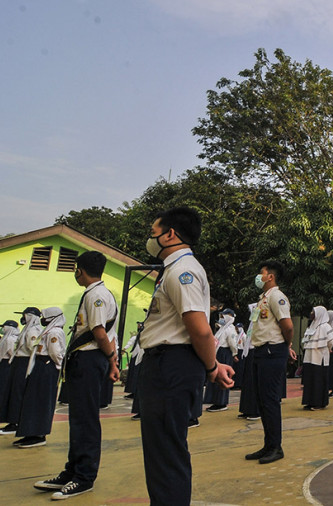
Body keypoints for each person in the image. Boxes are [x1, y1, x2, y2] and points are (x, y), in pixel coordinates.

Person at [136, 206, 234, 504]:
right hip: (168, 363)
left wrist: (213, 366)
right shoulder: (175, 270)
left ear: (170, 235)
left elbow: (201, 331)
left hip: (172, 364)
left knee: (166, 452)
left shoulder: (183, 271)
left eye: (154, 233)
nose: (150, 240)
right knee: (163, 449)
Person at [33, 251, 120, 498]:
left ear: (80, 270)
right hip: (86, 360)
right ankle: (72, 471)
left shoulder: (97, 296)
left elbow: (100, 333)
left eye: (75, 269)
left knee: (86, 420)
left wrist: (111, 360)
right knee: (79, 419)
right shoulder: (93, 294)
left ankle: (84, 476)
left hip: (91, 359)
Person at [246, 260, 295, 464]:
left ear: (270, 276)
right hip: (261, 351)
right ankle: (268, 444)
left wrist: (286, 346)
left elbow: (288, 326)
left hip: (272, 351)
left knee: (270, 401)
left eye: (262, 273)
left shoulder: (277, 297)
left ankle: (276, 447)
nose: (259, 276)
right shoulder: (263, 298)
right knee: (262, 401)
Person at [13, 307, 65, 448]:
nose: (42, 318)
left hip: (47, 367)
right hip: (41, 366)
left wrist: (58, 367)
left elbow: (55, 352)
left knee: (41, 401)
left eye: (44, 316)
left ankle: (39, 434)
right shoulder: (49, 330)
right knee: (33, 401)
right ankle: (31, 432)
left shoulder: (55, 331)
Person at [0, 306, 43, 435]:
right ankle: (13, 420)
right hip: (19, 363)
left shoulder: (33, 331)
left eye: (25, 315)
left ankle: (16, 422)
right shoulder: (27, 330)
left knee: (18, 394)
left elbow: (31, 348)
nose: (22, 318)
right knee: (14, 393)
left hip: (24, 363)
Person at [301, 306, 333, 410]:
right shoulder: (311, 326)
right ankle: (309, 401)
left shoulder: (326, 327)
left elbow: (330, 342)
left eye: (313, 312)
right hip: (309, 358)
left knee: (318, 380)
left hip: (320, 358)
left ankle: (319, 402)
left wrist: (328, 348)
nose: (311, 313)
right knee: (310, 379)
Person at [205, 309, 237, 412]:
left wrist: (235, 353)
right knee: (215, 377)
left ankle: (221, 402)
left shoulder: (230, 329)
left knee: (222, 377)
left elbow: (232, 343)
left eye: (224, 317)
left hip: (224, 352)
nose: (221, 319)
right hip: (218, 352)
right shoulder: (222, 329)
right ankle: (215, 401)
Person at [0, 321, 19, 421]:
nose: (2, 329)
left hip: (5, 365)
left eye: (4, 327)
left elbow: (12, 353)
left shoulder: (10, 339)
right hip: (1, 365)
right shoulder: (6, 338)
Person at [237, 303, 260, 420]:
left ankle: (255, 410)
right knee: (247, 383)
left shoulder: (261, 324)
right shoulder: (252, 324)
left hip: (256, 352)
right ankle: (246, 409)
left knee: (254, 383)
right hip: (249, 353)